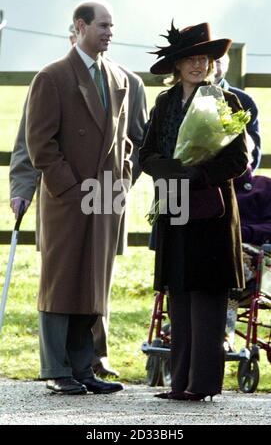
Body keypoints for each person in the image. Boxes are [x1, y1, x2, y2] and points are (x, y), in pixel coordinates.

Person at [10, 22, 147, 379]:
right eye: (104, 25)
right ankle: (57, 369)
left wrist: (122, 179)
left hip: (106, 197)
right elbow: (36, 142)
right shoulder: (51, 77)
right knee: (61, 281)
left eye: (113, 26)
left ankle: (87, 367)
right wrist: (50, 188)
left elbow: (131, 141)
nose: (110, 33)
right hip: (68, 197)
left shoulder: (123, 79)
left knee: (94, 281)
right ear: (80, 29)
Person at [139, 22, 248, 401]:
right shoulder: (165, 103)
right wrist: (170, 170)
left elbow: (238, 159)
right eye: (191, 59)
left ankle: (201, 384)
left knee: (206, 297)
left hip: (211, 212)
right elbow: (146, 153)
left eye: (204, 59)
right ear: (178, 65)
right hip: (173, 206)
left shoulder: (224, 101)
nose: (199, 65)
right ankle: (178, 381)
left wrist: (198, 173)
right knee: (179, 293)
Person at [225, 165, 271, 349]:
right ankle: (181, 327)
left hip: (252, 249)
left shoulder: (264, 186)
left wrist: (243, 232)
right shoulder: (207, 187)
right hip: (210, 248)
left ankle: (224, 331)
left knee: (231, 261)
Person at [215, 53, 260, 170]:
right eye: (208, 60)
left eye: (218, 61)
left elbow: (253, 147)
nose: (212, 66)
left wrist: (245, 180)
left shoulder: (243, 100)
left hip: (232, 176)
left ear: (226, 67)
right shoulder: (176, 98)